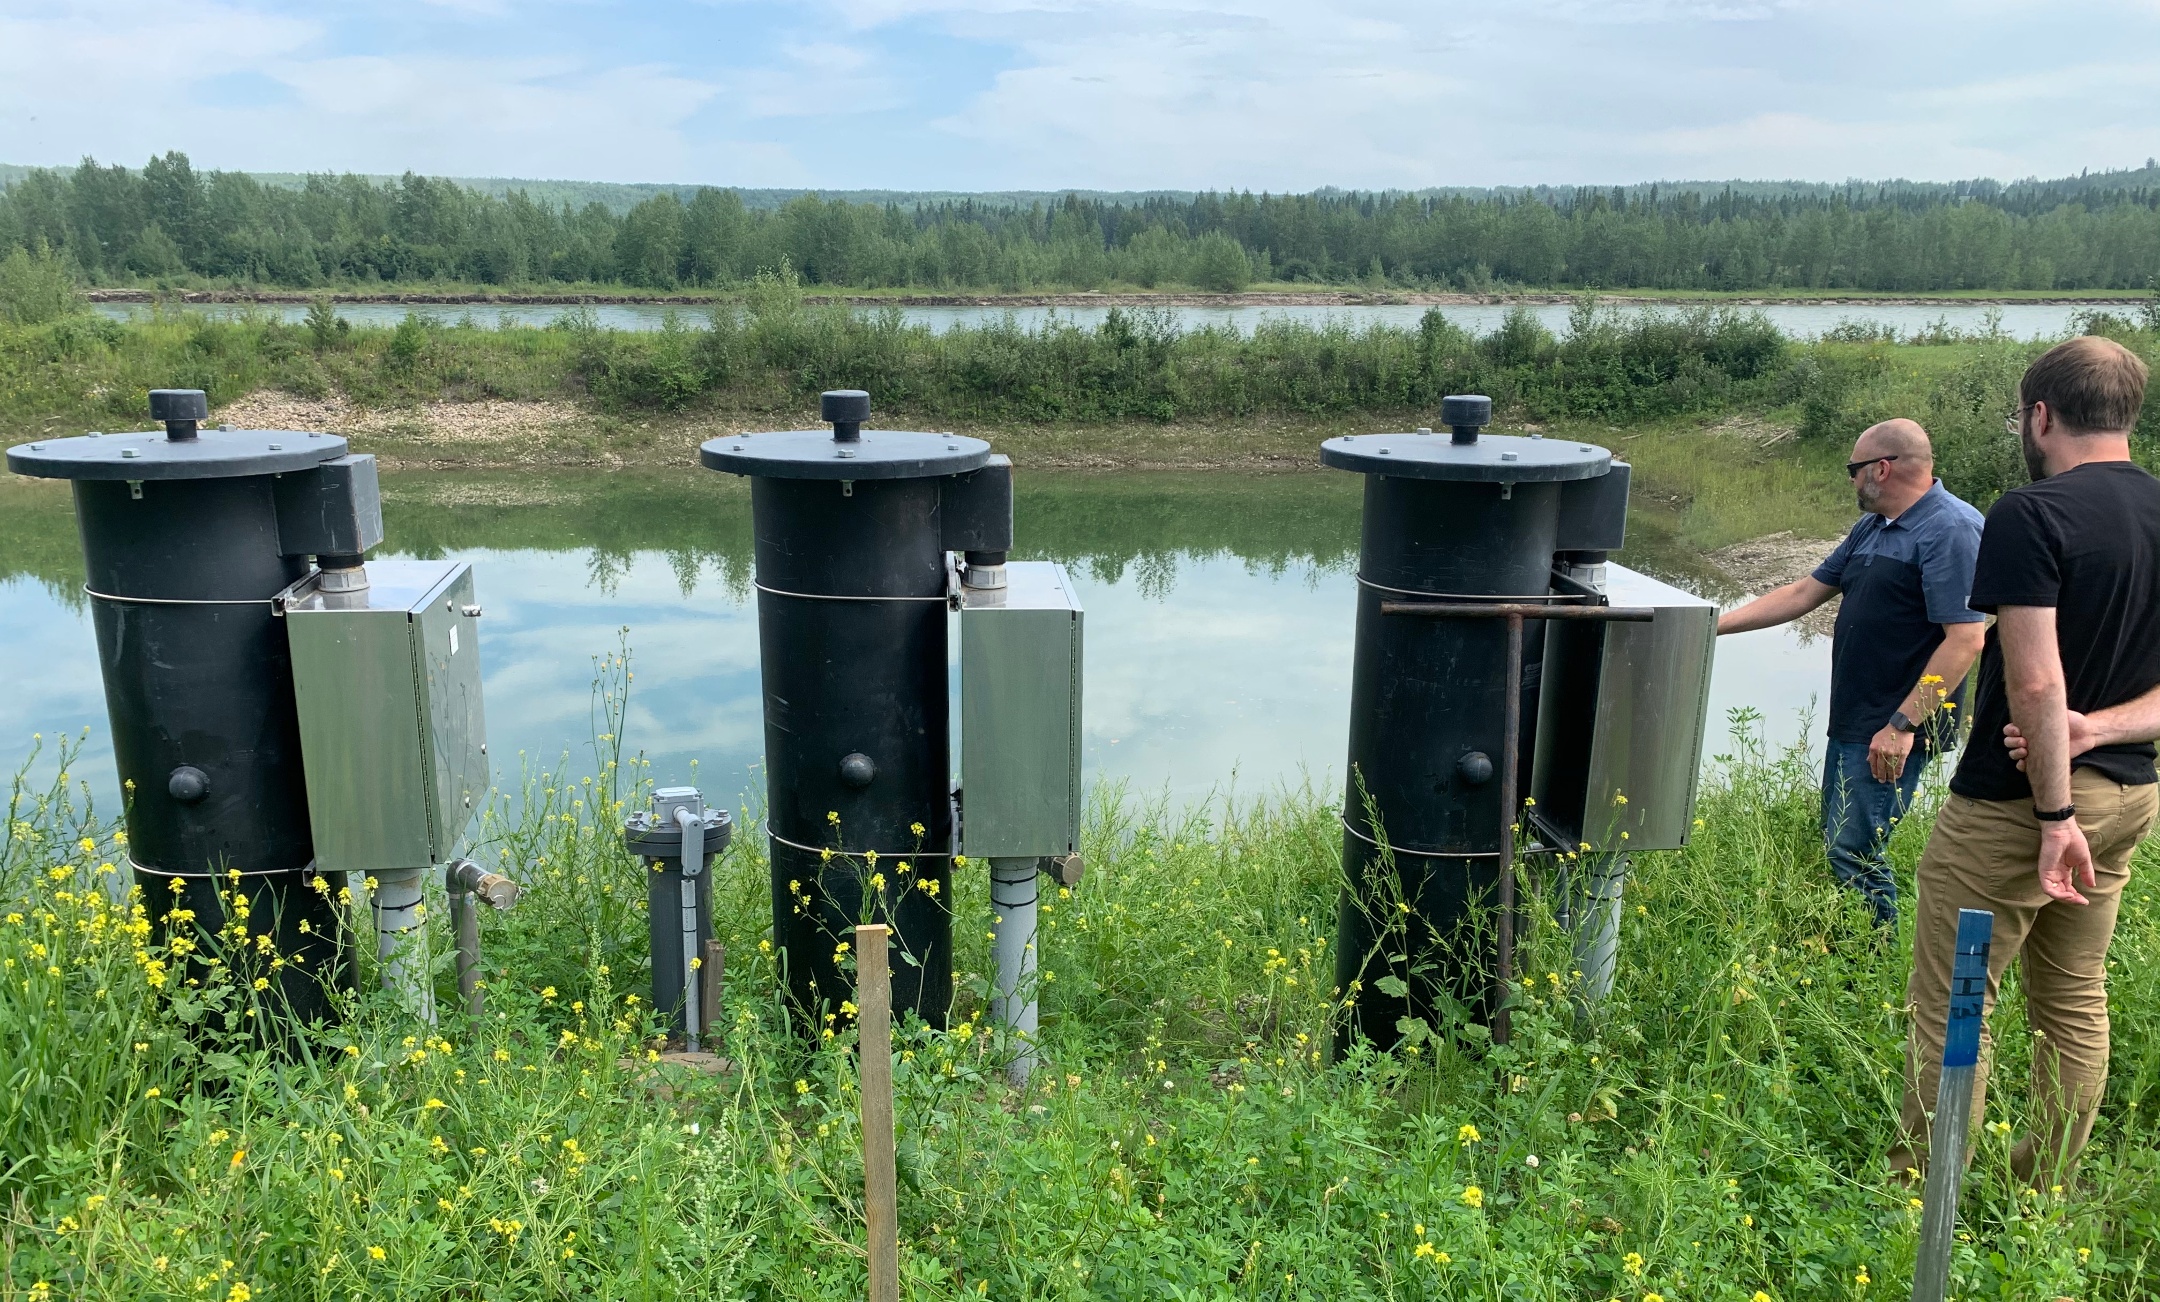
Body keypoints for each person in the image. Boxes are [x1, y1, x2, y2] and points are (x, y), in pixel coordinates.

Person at [1892, 335, 2160, 1187]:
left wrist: (2053, 815)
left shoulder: (2030, 514)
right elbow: (2071, 709)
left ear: (2039, 415)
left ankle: (1919, 1201)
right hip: (2130, 795)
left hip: (2022, 808)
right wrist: (2099, 731)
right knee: (2075, 998)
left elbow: (2037, 683)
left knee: (1953, 1006)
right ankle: (2038, 1189)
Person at [1717, 419, 1986, 927]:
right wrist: (1709, 628)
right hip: (1858, 718)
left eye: (1852, 469)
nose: (1849, 480)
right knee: (1841, 840)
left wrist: (1903, 725)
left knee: (1855, 851)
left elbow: (1966, 639)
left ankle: (1871, 963)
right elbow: (1803, 593)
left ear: (1881, 468)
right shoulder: (1876, 526)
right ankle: (1854, 949)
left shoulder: (1951, 529)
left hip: (1894, 725)